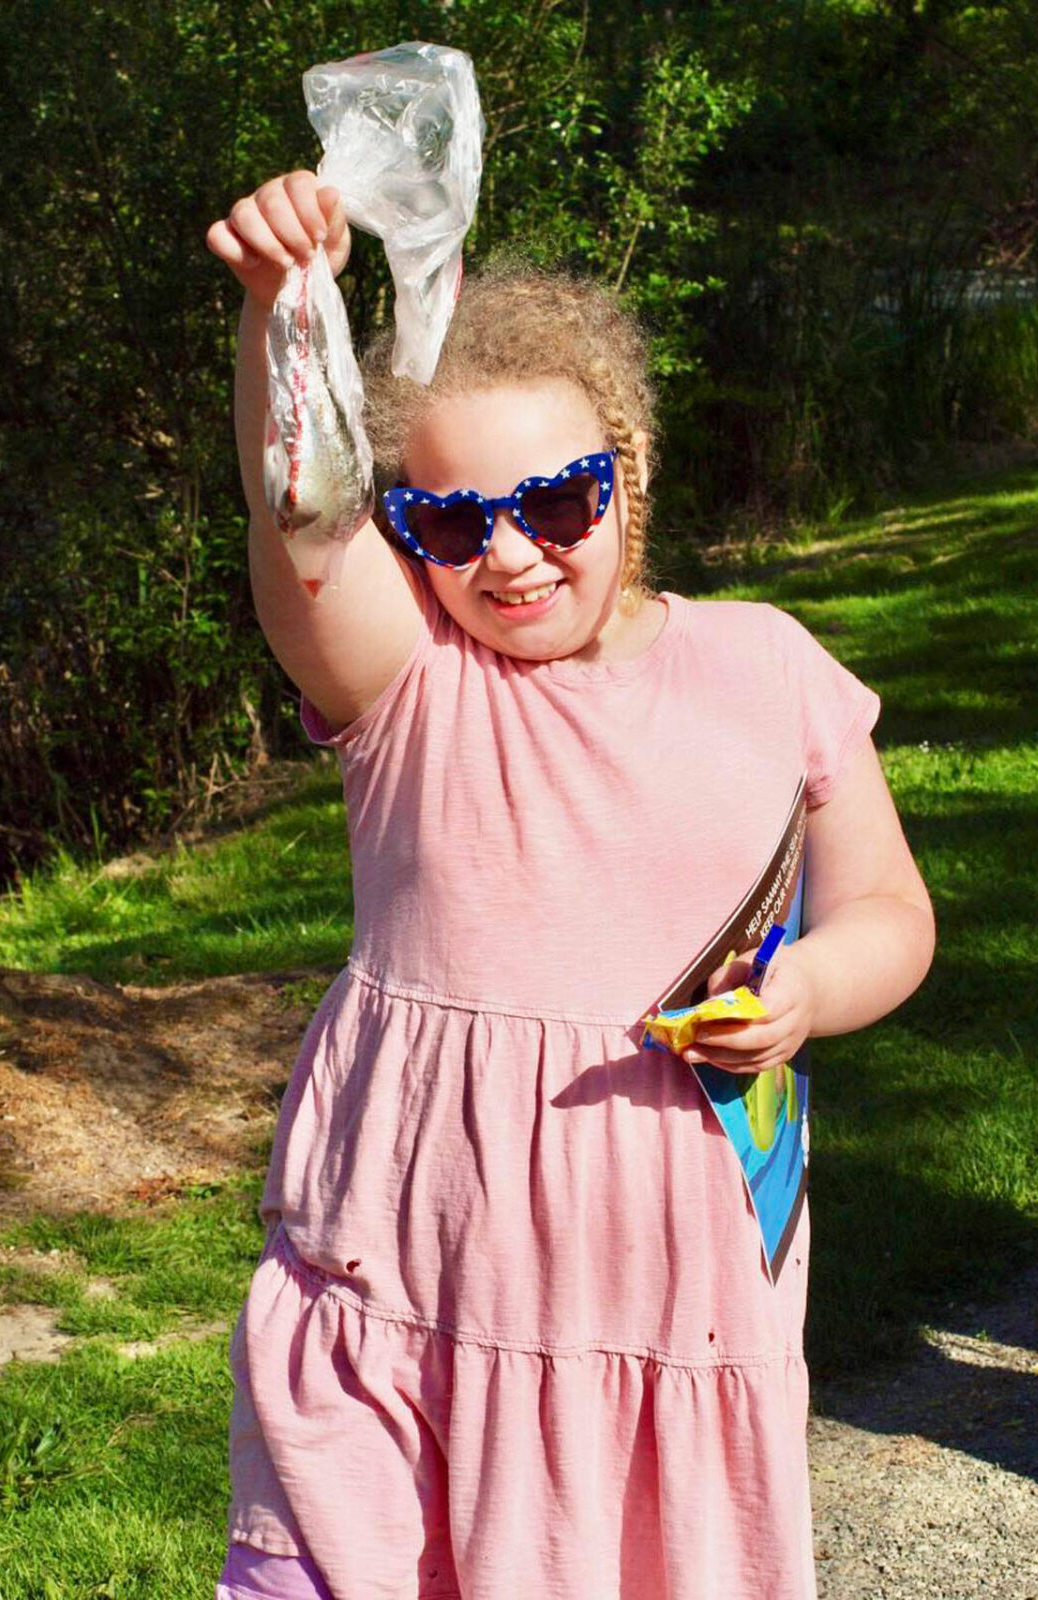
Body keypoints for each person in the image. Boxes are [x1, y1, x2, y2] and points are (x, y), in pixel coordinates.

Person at [205, 172, 936, 1600]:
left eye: (556, 498)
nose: (513, 553)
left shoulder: (767, 666)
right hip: (399, 1301)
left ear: (634, 466)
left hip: (673, 1305)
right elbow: (300, 522)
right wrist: (282, 311)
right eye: (453, 523)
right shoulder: (415, 689)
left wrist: (806, 994)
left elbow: (893, 918)